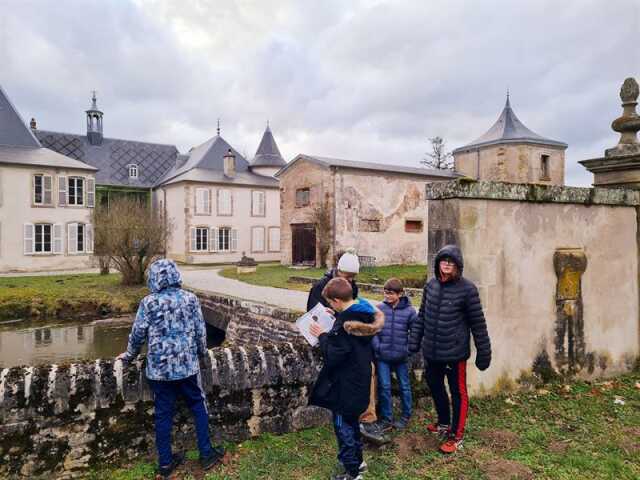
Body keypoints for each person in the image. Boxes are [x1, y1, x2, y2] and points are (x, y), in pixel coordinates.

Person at [116, 259, 225, 479]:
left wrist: (129, 356)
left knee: (163, 414)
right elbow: (199, 331)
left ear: (154, 278)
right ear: (176, 276)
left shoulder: (149, 302)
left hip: (159, 370)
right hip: (187, 368)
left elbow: (137, 334)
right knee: (198, 404)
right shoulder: (190, 299)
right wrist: (202, 353)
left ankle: (165, 464)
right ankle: (206, 453)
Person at [409, 245, 492, 454]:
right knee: (435, 386)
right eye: (443, 260)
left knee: (458, 393)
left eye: (451, 261)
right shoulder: (431, 286)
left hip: (455, 354)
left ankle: (457, 435)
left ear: (457, 266)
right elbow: (422, 317)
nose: (446, 264)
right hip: (432, 352)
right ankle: (444, 423)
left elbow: (478, 324)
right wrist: (414, 341)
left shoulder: (467, 290)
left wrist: (484, 352)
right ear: (438, 263)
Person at [306, 249, 387, 445]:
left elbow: (354, 309)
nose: (350, 281)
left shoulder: (351, 287)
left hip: (351, 338)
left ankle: (366, 418)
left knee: (369, 369)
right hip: (333, 338)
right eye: (347, 276)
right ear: (338, 270)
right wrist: (330, 322)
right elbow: (313, 314)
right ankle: (355, 418)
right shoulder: (321, 287)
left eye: (353, 277)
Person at [308, 277, 378, 480]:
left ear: (337, 300)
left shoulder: (343, 326)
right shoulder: (361, 315)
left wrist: (322, 335)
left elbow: (334, 354)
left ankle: (352, 472)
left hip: (345, 387)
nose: (330, 306)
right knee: (353, 423)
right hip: (360, 381)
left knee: (343, 428)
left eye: (330, 303)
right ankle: (359, 462)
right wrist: (336, 316)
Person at [372, 278, 416, 431]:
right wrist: (378, 347)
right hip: (383, 356)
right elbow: (374, 331)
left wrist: (407, 349)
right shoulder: (379, 308)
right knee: (384, 387)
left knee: (404, 386)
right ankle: (386, 419)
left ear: (400, 294)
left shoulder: (410, 311)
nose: (387, 296)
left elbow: (415, 332)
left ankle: (406, 416)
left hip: (401, 357)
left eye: (391, 294)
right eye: (385, 293)